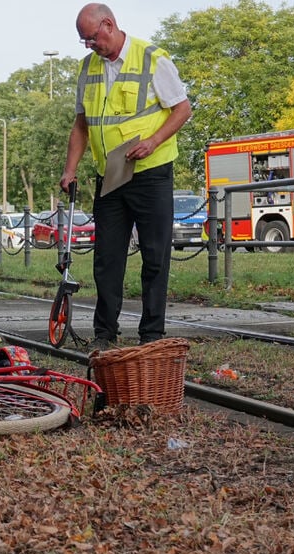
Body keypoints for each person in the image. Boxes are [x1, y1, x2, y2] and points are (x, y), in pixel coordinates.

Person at [59, 3, 192, 350]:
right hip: (111, 177)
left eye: (92, 39)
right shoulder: (88, 68)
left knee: (155, 255)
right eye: (84, 42)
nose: (90, 46)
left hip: (151, 173)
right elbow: (81, 124)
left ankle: (152, 334)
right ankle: (105, 333)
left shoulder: (151, 58)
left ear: (108, 24)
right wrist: (70, 168)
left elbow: (182, 109)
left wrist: (152, 142)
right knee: (107, 258)